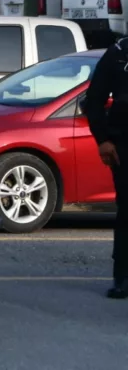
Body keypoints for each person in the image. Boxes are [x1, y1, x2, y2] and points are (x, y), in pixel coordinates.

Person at [83, 37, 128, 299]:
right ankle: (122, 277)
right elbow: (94, 99)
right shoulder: (119, 54)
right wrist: (102, 140)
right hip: (123, 143)